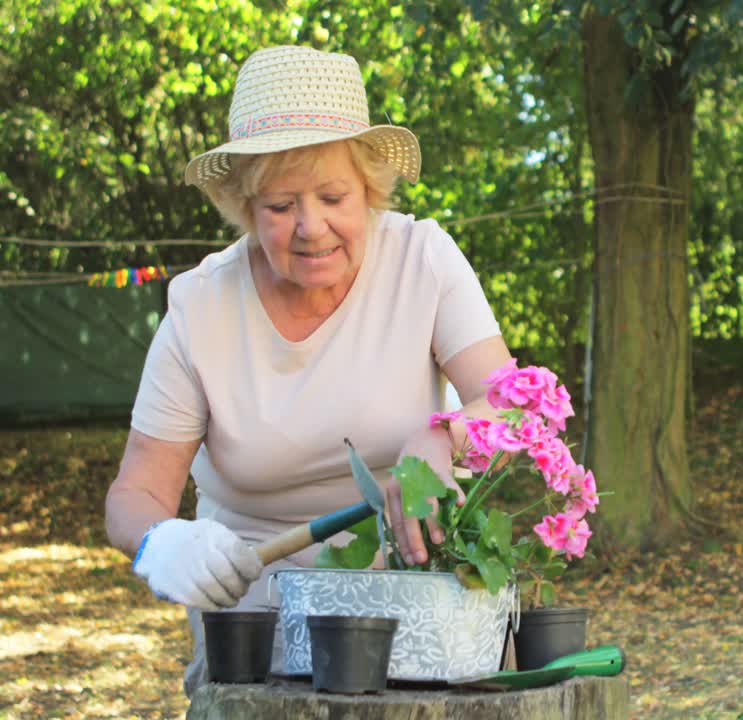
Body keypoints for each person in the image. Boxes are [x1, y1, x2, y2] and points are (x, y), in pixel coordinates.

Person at [103, 45, 513, 696]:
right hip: (253, 615)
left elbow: (514, 404)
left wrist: (446, 434)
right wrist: (160, 541)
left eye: (332, 196)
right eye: (279, 205)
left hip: (412, 598)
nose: (310, 227)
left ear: (370, 190)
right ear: (246, 205)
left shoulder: (424, 260)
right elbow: (133, 495)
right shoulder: (200, 305)